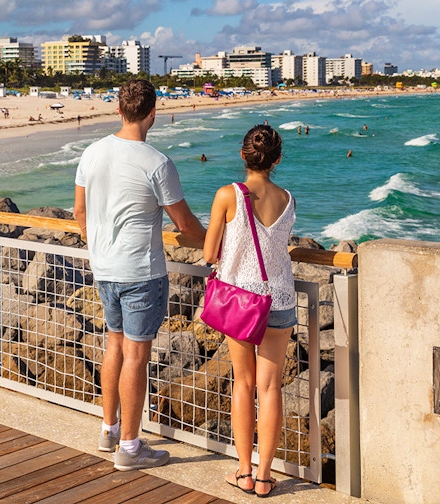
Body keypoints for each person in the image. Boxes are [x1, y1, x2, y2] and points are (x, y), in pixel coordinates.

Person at [74, 79, 206, 472]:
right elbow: (184, 225)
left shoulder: (91, 152)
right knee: (136, 355)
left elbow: (80, 212)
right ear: (152, 113)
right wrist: (221, 242)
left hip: (105, 269)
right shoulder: (156, 162)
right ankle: (130, 448)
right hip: (141, 273)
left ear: (119, 110)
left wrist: (97, 243)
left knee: (114, 345)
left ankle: (109, 429)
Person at [203, 124, 296, 498]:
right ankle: (264, 477)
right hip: (281, 300)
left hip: (242, 301)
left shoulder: (229, 194)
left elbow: (210, 253)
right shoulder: (289, 198)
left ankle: (243, 472)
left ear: (244, 156)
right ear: (276, 160)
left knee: (243, 383)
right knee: (270, 387)